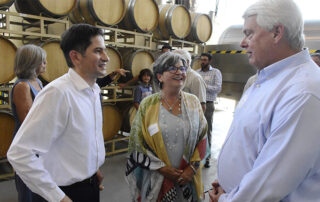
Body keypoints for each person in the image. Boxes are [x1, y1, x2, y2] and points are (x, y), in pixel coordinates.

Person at [209, 0, 320, 201]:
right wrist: (227, 181)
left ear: (277, 33)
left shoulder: (303, 93)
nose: (243, 43)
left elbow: (269, 186)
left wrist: (226, 199)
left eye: (249, 33)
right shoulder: (267, 79)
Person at [7, 24, 108, 202]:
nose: (106, 58)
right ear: (75, 56)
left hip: (90, 185)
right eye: (98, 51)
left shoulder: (94, 90)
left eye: (105, 50)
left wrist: (92, 167)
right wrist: (58, 197)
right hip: (64, 192)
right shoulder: (58, 93)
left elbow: (79, 139)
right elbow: (19, 153)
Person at [126, 52, 208, 201]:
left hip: (187, 179)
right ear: (159, 76)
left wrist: (192, 168)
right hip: (155, 179)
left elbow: (202, 137)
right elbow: (137, 143)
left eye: (182, 69)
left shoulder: (193, 102)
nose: (179, 72)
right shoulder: (148, 105)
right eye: (172, 68)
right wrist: (161, 168)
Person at [11, 44, 47, 202]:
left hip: (40, 141)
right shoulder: (22, 86)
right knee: (29, 185)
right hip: (28, 144)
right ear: (32, 63)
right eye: (43, 62)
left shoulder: (37, 82)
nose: (45, 64)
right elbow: (29, 121)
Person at [197, 53, 222, 168]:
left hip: (208, 104)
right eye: (201, 60)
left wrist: (203, 86)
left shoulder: (216, 72)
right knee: (196, 131)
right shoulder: (197, 73)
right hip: (196, 105)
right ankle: (196, 157)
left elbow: (217, 88)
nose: (203, 62)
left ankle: (207, 158)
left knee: (207, 131)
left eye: (205, 60)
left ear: (210, 61)